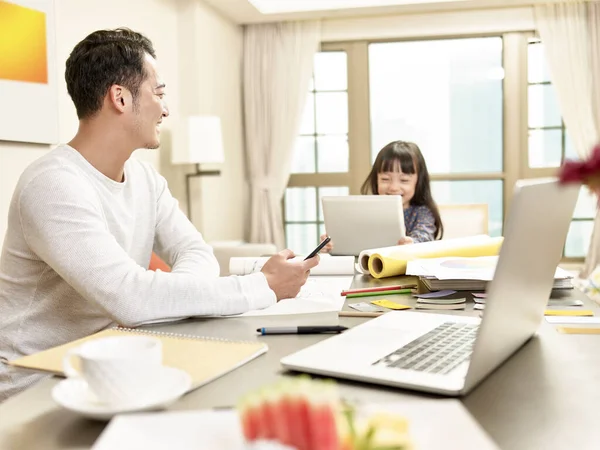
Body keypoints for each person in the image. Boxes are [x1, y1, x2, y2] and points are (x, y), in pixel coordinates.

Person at [0, 28, 318, 403]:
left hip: (115, 364)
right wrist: (260, 286)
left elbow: (196, 254)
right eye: (159, 93)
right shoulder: (53, 185)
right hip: (37, 384)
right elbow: (130, 297)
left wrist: (166, 300)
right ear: (119, 97)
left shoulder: (146, 180)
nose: (165, 109)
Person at [321, 140, 443, 253]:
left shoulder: (423, 213)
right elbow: (351, 238)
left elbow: (424, 236)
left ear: (418, 182)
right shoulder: (365, 211)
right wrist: (331, 243)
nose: (394, 187)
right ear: (376, 180)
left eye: (404, 180)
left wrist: (412, 243)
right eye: (385, 179)